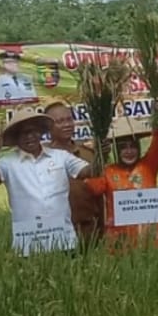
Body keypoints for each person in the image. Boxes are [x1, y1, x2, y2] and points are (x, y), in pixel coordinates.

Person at [0, 109, 92, 255]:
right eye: (24, 133)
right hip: (28, 242)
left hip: (63, 238)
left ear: (40, 133)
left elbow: (88, 172)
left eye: (33, 131)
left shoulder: (60, 157)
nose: (30, 136)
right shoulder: (7, 163)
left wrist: (102, 154)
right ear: (16, 137)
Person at [83, 106, 158, 254]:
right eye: (123, 147)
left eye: (133, 147)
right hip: (121, 242)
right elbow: (92, 188)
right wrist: (98, 157)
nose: (129, 152)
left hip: (152, 240)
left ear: (138, 148)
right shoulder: (108, 172)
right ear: (117, 150)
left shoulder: (148, 165)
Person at [43, 101, 106, 247]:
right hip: (56, 232)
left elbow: (100, 195)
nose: (66, 125)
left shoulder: (88, 154)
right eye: (59, 121)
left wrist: (103, 228)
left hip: (89, 230)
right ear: (48, 127)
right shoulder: (42, 158)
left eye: (69, 119)